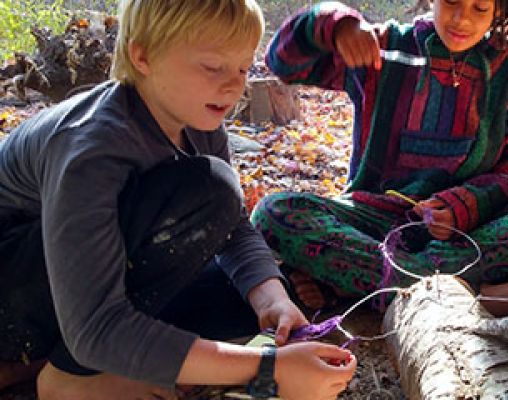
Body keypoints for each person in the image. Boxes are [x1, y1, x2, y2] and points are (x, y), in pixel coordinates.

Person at [0, 1, 356, 399]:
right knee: (213, 189)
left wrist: (272, 299)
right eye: (212, 67)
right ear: (143, 55)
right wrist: (267, 369)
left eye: (242, 67)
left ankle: (67, 362)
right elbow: (95, 319)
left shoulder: (194, 117)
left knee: (247, 294)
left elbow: (231, 228)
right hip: (16, 292)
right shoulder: (90, 148)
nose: (234, 85)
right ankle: (67, 376)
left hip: (84, 285)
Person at [251, 0, 508, 319]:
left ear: (500, 7)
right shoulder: (383, 49)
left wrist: (468, 204)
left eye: (480, 7)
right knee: (273, 212)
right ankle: (482, 291)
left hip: (473, 233)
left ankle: (363, 282)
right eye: (452, 2)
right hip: (374, 222)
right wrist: (332, 22)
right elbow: (283, 63)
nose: (462, 19)